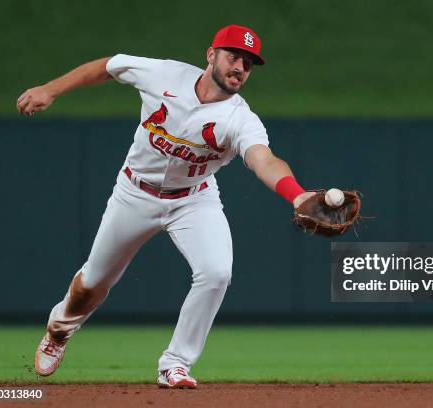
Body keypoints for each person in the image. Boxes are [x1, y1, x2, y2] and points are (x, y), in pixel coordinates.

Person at [17, 24, 316, 389]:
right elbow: (109, 66)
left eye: (248, 63)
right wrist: (51, 90)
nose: (240, 67)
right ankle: (59, 329)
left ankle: (175, 364)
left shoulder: (240, 118)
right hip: (134, 193)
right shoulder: (165, 74)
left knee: (217, 272)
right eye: (233, 56)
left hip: (193, 199)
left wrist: (297, 195)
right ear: (211, 55)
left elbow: (263, 159)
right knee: (93, 283)